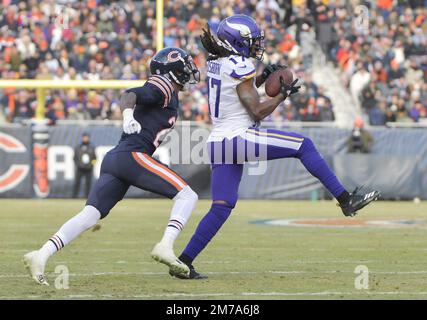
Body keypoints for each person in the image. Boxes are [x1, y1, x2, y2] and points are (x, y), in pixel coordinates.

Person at [171, 15, 380, 279]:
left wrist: (259, 82)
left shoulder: (218, 62)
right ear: (237, 42)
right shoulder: (240, 63)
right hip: (238, 138)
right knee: (304, 145)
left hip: (218, 143)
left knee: (222, 206)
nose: (255, 45)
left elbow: (236, 94)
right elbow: (257, 111)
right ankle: (345, 199)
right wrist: (283, 94)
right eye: (250, 41)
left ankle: (184, 261)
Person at [23, 47, 201, 285]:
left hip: (117, 158)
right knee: (187, 196)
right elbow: (129, 94)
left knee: (90, 215)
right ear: (171, 71)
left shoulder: (171, 92)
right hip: (133, 155)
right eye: (184, 66)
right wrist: (128, 117)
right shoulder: (163, 85)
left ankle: (41, 254)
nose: (188, 70)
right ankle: (165, 246)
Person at [72, 132, 97, 198]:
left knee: (88, 183)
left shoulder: (91, 147)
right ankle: (74, 196)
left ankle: (87, 196)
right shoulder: (78, 147)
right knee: (77, 183)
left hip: (88, 169)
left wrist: (91, 165)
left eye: (87, 137)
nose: (85, 139)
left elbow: (94, 158)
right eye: (84, 137)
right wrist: (78, 164)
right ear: (82, 138)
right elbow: (75, 158)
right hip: (80, 168)